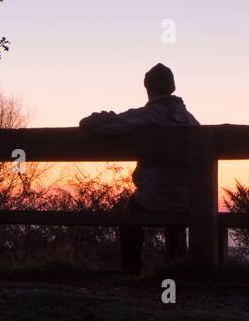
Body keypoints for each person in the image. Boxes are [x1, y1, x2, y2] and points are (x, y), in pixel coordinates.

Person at [79, 63, 199, 272]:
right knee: (175, 221)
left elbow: (103, 126)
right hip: (188, 199)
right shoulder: (191, 121)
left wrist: (96, 117)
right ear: (172, 86)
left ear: (147, 87)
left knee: (130, 215)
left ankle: (131, 269)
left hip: (154, 197)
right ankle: (177, 269)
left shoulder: (147, 115)